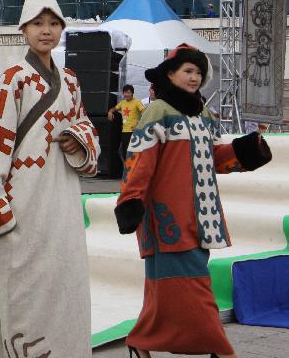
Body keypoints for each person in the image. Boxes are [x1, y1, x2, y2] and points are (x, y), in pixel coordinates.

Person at [0, 0, 99, 358]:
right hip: (22, 203)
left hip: (62, 201)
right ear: (24, 29)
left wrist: (78, 140)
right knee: (23, 290)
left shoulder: (70, 81)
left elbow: (86, 127)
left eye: (53, 23)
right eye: (38, 23)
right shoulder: (13, 80)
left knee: (63, 284)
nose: (46, 30)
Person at [115, 44, 271, 358]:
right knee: (193, 287)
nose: (194, 77)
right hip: (167, 217)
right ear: (170, 74)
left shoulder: (203, 114)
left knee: (164, 287)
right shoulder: (158, 111)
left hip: (201, 216)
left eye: (199, 72)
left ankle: (141, 340)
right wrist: (130, 199)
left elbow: (213, 158)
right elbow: (139, 159)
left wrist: (243, 151)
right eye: (188, 70)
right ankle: (221, 349)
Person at [108, 84, 144, 166]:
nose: (127, 94)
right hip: (125, 131)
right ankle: (128, 170)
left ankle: (134, 170)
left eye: (129, 92)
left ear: (132, 93)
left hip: (134, 132)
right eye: (125, 92)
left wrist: (138, 124)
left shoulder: (137, 102)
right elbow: (114, 108)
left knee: (134, 152)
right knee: (124, 153)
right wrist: (110, 112)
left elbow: (144, 112)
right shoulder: (122, 103)